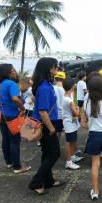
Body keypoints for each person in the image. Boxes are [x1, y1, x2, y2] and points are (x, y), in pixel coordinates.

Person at [29, 57, 64, 195]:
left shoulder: (45, 84)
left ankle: (48, 180)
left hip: (47, 122)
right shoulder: (44, 87)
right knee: (54, 153)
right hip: (47, 123)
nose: (57, 69)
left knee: (47, 153)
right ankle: (36, 182)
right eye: (55, 67)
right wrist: (51, 128)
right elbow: (43, 112)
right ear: (50, 69)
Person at [0, 63, 31, 174]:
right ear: (8, 73)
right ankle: (17, 167)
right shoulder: (11, 83)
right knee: (15, 141)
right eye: (13, 70)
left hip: (1, 115)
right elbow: (15, 99)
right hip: (11, 115)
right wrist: (23, 109)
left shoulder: (0, 84)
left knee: (5, 139)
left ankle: (9, 162)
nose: (15, 72)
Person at [62, 78, 82, 170]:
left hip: (69, 123)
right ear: (72, 86)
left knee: (71, 141)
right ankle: (69, 162)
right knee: (69, 142)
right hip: (70, 123)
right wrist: (78, 108)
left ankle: (72, 157)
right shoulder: (69, 100)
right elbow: (76, 113)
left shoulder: (65, 97)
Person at [53, 71, 66, 138]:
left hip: (53, 114)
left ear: (55, 79)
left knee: (53, 133)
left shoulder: (52, 88)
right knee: (59, 133)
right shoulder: (66, 89)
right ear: (64, 79)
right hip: (63, 114)